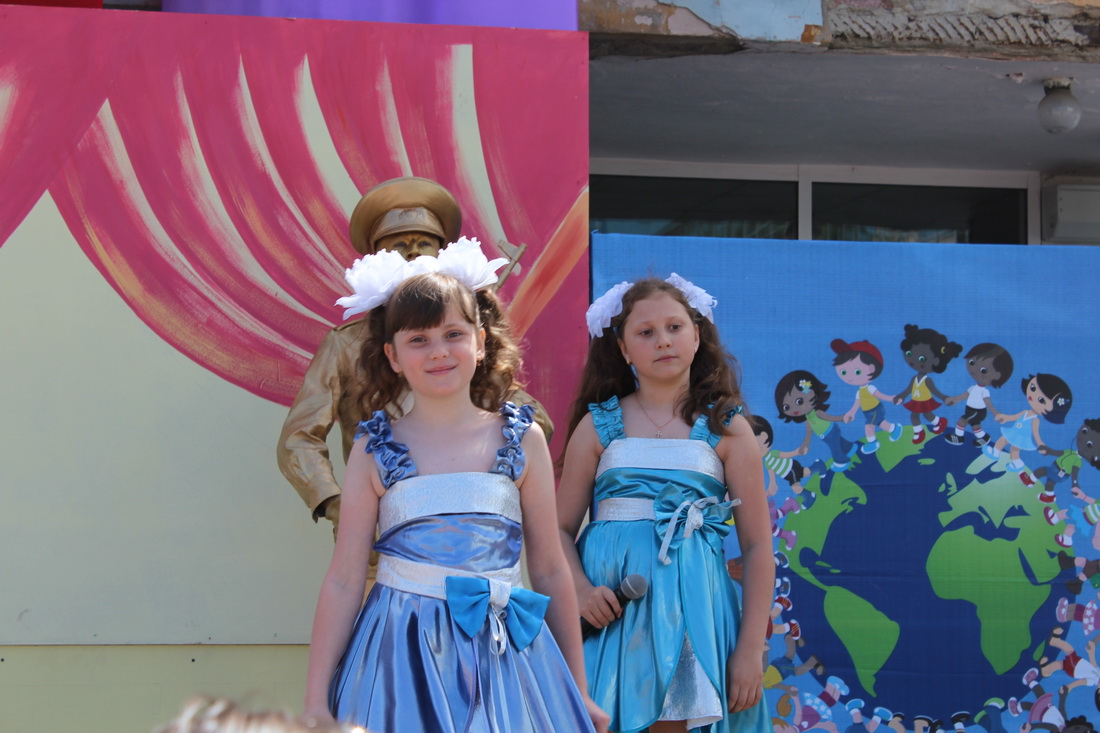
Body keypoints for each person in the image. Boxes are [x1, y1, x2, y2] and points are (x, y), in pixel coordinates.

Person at [302, 240, 608, 732]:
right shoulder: (374, 448)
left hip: (504, 659)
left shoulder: (521, 439)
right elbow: (343, 579)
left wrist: (578, 690)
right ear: (393, 356)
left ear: (481, 342)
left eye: (453, 334)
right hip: (398, 659)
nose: (439, 351)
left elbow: (551, 569)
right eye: (418, 340)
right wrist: (316, 700)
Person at [556, 275, 773, 733]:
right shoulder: (597, 426)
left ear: (697, 335)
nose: (663, 341)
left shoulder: (729, 428)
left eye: (675, 327)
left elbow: (757, 547)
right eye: (646, 332)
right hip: (611, 615)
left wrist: (751, 648)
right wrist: (579, 589)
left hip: (695, 612)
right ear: (623, 348)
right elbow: (556, 530)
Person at [277, 176, 551, 536]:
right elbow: (299, 438)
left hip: (467, 523)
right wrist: (335, 502)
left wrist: (485, 419)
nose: (413, 253)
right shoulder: (345, 344)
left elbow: (536, 422)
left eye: (424, 243)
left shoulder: (464, 338)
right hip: (379, 532)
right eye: (399, 245)